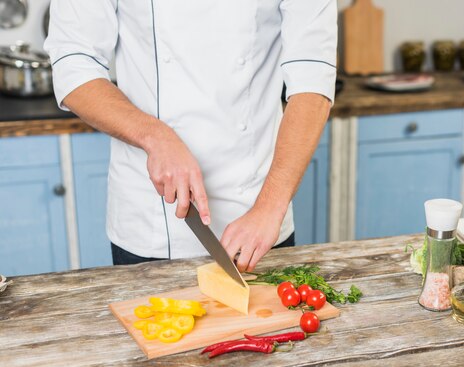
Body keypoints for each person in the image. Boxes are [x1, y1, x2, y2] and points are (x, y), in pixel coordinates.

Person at [44, 1, 337, 272]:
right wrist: (155, 136)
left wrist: (270, 207)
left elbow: (313, 79)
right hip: (152, 221)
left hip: (259, 215)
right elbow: (74, 65)